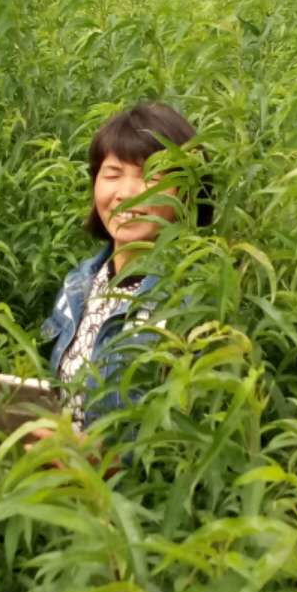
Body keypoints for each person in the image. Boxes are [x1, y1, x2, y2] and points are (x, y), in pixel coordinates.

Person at [43, 102, 207, 431]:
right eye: (113, 174)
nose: (127, 194)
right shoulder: (80, 286)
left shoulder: (193, 298)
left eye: (151, 177)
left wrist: (93, 457)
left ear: (186, 192)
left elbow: (186, 436)